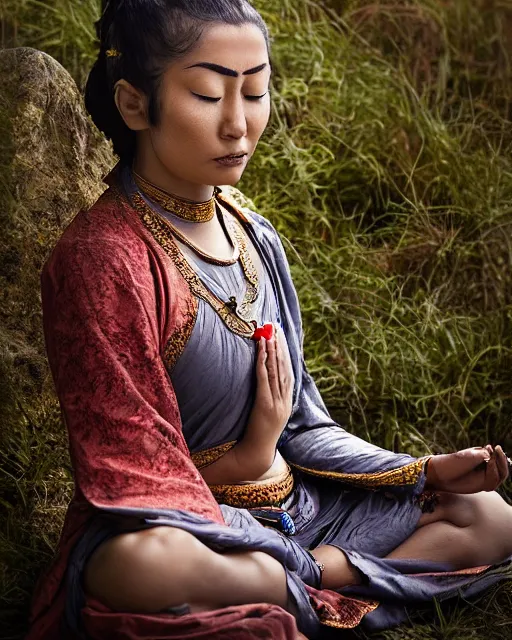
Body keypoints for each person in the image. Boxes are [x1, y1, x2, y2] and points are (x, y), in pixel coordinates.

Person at [27, 1, 512, 638]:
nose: (239, 125)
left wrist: (422, 471)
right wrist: (251, 456)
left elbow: (306, 425)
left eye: (255, 92)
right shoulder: (104, 260)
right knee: (137, 567)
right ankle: (321, 578)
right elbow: (131, 471)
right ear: (134, 104)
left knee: (490, 514)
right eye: (207, 94)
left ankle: (305, 580)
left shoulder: (254, 237)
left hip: (297, 510)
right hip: (190, 523)